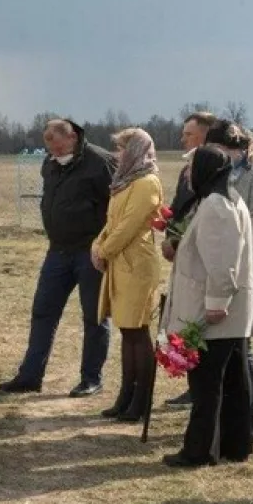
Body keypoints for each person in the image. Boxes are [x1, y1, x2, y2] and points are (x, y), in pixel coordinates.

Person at [0, 119, 114, 396]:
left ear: (72, 136)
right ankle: (30, 375)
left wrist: (104, 246)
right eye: (46, 140)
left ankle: (91, 378)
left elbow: (114, 208)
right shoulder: (50, 163)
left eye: (54, 140)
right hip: (57, 251)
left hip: (91, 252)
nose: (50, 146)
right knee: (43, 312)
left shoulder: (100, 162)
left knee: (94, 317)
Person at [160, 145, 253, 467]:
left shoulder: (216, 205)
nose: (186, 174)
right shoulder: (222, 199)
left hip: (214, 311)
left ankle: (198, 450)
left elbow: (222, 262)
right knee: (229, 381)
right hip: (225, 310)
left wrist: (216, 303)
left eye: (190, 168)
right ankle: (232, 444)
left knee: (206, 384)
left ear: (204, 170)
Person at [204, 122, 253, 442]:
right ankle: (228, 415)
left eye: (222, 150)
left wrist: (229, 249)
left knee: (243, 346)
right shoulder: (215, 176)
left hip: (249, 272)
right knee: (225, 347)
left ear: (237, 148)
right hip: (219, 273)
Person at [89, 128, 164, 421]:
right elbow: (112, 221)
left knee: (137, 331)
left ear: (135, 150)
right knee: (127, 331)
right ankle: (125, 396)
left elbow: (131, 225)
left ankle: (141, 400)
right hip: (120, 262)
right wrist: (98, 244)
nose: (117, 154)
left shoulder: (147, 182)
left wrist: (103, 250)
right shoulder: (124, 181)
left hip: (136, 265)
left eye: (121, 148)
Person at [161, 111, 218, 409]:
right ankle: (193, 386)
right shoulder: (187, 170)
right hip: (183, 259)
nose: (183, 139)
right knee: (186, 324)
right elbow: (178, 207)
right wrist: (169, 236)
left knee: (212, 332)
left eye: (189, 134)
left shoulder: (217, 173)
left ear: (206, 136)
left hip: (206, 264)